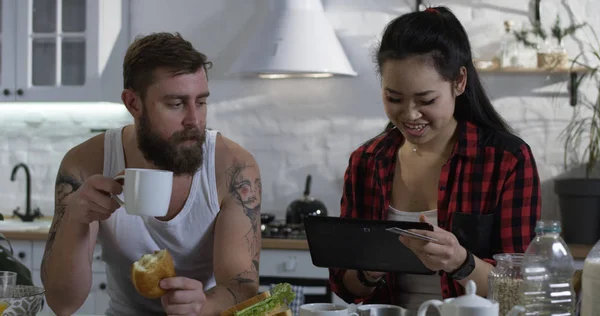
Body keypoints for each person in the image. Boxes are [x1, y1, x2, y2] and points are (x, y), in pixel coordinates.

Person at [328, 6, 541, 313]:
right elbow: (345, 287)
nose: (410, 114)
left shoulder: (507, 160)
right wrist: (369, 269)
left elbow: (519, 292)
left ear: (459, 82)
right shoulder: (367, 161)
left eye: (426, 100)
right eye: (394, 98)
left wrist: (460, 261)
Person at [40, 32, 262, 316]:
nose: (194, 120)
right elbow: (63, 303)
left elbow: (241, 285)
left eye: (201, 102)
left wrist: (205, 304)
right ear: (133, 103)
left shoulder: (233, 167)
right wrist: (75, 219)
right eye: (176, 104)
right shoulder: (85, 164)